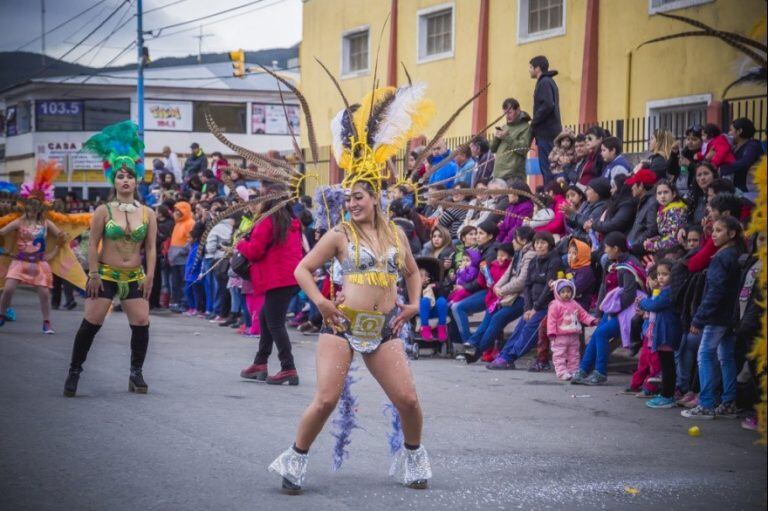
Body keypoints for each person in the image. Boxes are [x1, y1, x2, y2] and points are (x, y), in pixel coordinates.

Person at [64, 120, 158, 397]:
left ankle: (136, 373)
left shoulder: (148, 213)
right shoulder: (103, 210)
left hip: (135, 276)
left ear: (137, 179)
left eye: (129, 175)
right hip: (105, 274)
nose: (125, 180)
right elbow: (92, 243)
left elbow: (151, 247)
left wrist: (150, 275)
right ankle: (74, 370)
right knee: (92, 322)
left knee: (141, 322)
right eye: (120, 176)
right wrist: (92, 273)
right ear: (114, 179)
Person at [237, 184, 303, 385]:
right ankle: (260, 362)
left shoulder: (268, 221)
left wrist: (239, 243)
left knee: (274, 322)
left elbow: (255, 251)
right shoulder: (292, 221)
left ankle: (288, 367)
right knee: (267, 317)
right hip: (290, 277)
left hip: (276, 278)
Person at [682, 216, 746, 420]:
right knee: (725, 357)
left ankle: (707, 403)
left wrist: (699, 318)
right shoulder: (736, 254)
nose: (714, 235)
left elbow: (715, 292)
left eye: (719, 231)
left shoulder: (722, 257)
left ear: (732, 234)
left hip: (717, 316)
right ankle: (729, 401)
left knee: (706, 355)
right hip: (729, 315)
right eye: (714, 230)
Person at [0, 163, 68, 332]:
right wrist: (4, 250)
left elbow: (61, 239)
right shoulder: (19, 221)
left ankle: (46, 323)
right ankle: (1, 315)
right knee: (8, 290)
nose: (32, 208)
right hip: (19, 262)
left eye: (35, 205)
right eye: (29, 205)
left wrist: (51, 254)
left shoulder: (46, 223)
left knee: (44, 294)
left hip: (39, 264)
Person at [572, 232, 646, 386]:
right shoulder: (613, 262)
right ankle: (583, 369)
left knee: (602, 334)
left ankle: (600, 373)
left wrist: (613, 312)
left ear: (616, 248)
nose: (604, 250)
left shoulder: (629, 266)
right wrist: (600, 312)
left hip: (627, 310)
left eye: (607, 248)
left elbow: (629, 294)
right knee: (597, 334)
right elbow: (604, 288)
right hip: (612, 307)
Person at [487, 231, 562, 369]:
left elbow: (548, 288)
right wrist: (528, 308)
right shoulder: (534, 261)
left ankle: (510, 358)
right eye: (537, 243)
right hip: (532, 305)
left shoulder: (555, 261)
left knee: (529, 330)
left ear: (550, 245)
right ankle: (504, 355)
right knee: (519, 329)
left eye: (543, 243)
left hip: (547, 305)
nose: (539, 246)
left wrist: (535, 308)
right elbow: (527, 285)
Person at [464, 226, 535, 364]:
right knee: (493, 314)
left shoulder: (529, 255)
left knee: (498, 317)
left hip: (523, 297)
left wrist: (503, 290)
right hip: (510, 295)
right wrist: (497, 287)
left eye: (515, 238)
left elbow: (521, 281)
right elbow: (508, 274)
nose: (513, 241)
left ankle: (477, 350)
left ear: (523, 240)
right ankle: (474, 345)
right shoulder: (519, 252)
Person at [638, 259, 683, 409]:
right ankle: (666, 393)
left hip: (667, 332)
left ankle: (667, 395)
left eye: (665, 274)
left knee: (667, 365)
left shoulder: (668, 292)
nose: (660, 278)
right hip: (664, 331)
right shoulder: (665, 291)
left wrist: (642, 303)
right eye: (658, 274)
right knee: (666, 364)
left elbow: (653, 305)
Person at [546, 279, 598, 381]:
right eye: (563, 292)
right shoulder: (554, 305)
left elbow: (583, 314)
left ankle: (573, 371)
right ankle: (561, 372)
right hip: (560, 335)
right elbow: (551, 320)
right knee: (559, 355)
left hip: (574, 335)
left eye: (568, 291)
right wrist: (551, 332)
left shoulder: (574, 303)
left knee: (574, 354)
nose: (566, 294)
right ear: (558, 293)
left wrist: (592, 321)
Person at [528, 55, 561, 182]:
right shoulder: (548, 82)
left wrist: (534, 121)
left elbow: (548, 104)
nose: (529, 70)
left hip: (547, 133)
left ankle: (550, 195)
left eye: (531, 67)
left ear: (537, 68)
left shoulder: (544, 82)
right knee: (549, 167)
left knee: (548, 168)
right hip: (548, 133)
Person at [490, 98, 532, 183]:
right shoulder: (504, 127)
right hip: (498, 174)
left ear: (518, 110)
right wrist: (496, 138)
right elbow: (492, 149)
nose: (507, 116)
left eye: (509, 112)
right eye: (505, 113)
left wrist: (507, 137)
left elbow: (523, 149)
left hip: (513, 176)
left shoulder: (525, 127)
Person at [720, 117, 764, 193]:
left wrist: (725, 168)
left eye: (731, 130)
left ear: (739, 131)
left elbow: (745, 162)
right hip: (736, 191)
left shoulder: (752, 145)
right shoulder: (733, 148)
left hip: (750, 191)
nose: (729, 133)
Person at [643, 179, 687, 254]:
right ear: (656, 197)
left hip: (675, 252)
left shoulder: (675, 211)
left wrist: (652, 246)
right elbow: (665, 235)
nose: (662, 196)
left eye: (666, 192)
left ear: (674, 194)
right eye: (659, 193)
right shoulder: (663, 210)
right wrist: (653, 240)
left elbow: (673, 240)